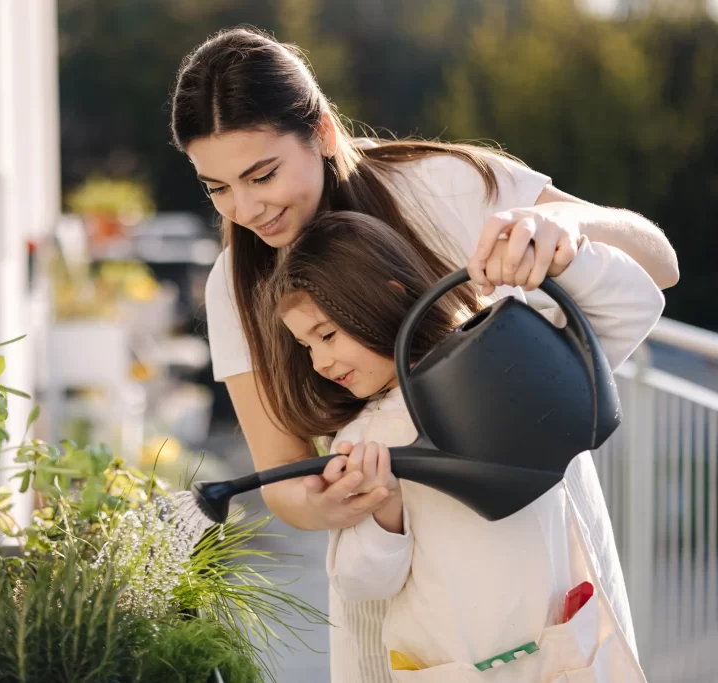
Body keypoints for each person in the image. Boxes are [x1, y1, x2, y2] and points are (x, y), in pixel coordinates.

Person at [169, 26, 679, 682]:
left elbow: (658, 265)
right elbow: (285, 480)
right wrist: (350, 505)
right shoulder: (232, 284)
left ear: (322, 131)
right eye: (217, 188)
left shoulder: (445, 184)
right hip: (410, 600)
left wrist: (562, 230)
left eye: (262, 174)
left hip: (537, 544)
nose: (246, 209)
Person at [260, 210, 662, 681]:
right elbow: (361, 584)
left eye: (326, 335)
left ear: (383, 297)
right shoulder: (361, 442)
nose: (321, 362)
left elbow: (635, 305)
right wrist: (384, 511)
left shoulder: (508, 357)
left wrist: (560, 261)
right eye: (306, 347)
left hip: (563, 654)